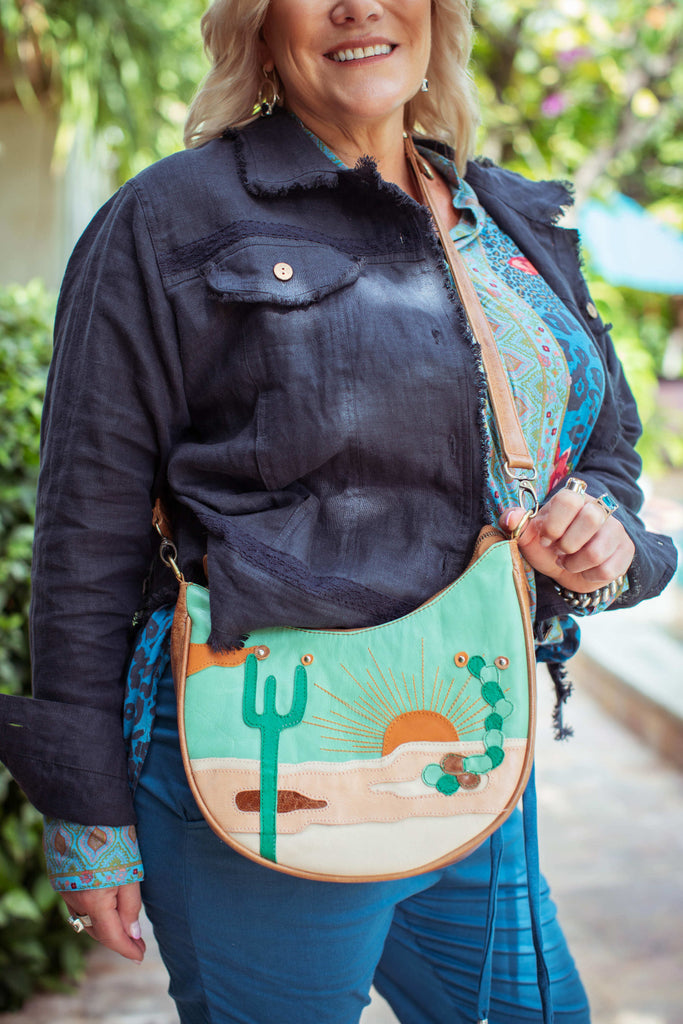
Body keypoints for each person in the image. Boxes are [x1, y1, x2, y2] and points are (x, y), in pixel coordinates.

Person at [0, 1, 677, 1022]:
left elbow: (604, 451)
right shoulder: (167, 222)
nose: (356, 5)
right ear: (261, 24)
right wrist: (88, 816)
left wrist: (601, 527)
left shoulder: (509, 223)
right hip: (258, 776)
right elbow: (84, 533)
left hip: (470, 758)